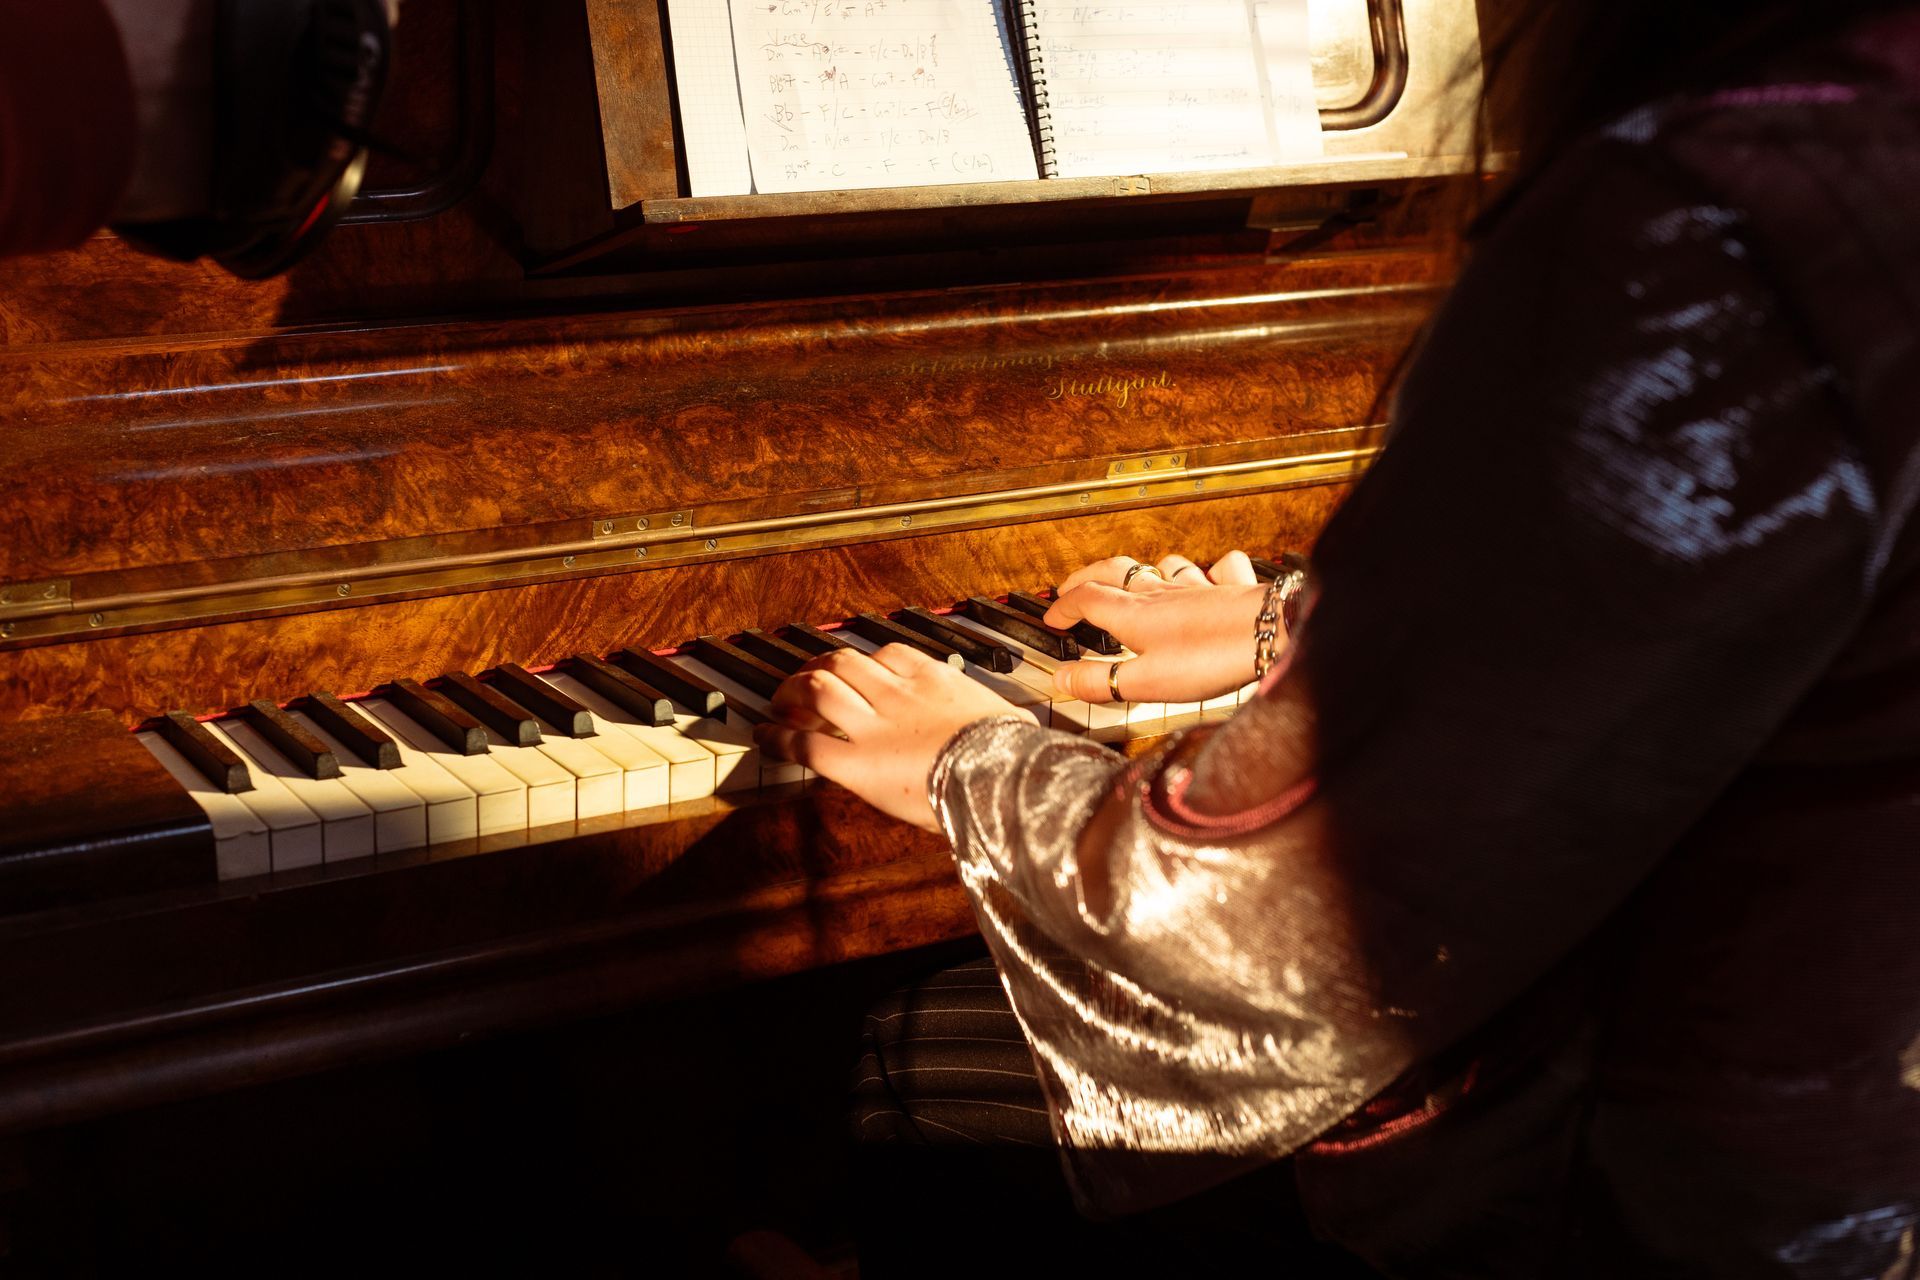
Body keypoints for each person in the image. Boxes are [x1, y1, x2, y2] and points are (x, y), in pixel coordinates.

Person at [754, 2, 1920, 1274]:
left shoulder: (1717, 216)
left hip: (1651, 1196)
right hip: (1847, 1128)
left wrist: (972, 760)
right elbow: (1696, 600)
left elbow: (1289, 921)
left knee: (902, 1057)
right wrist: (1293, 626)